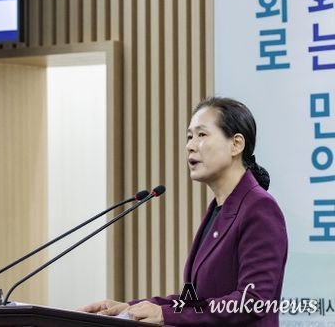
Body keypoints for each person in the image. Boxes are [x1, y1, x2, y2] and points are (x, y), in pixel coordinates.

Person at [80, 97, 288, 325]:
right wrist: (131, 308)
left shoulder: (259, 208)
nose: (190, 145)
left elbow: (253, 301)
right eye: (189, 137)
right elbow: (194, 301)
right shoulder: (218, 210)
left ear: (236, 144)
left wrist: (166, 314)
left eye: (202, 135)